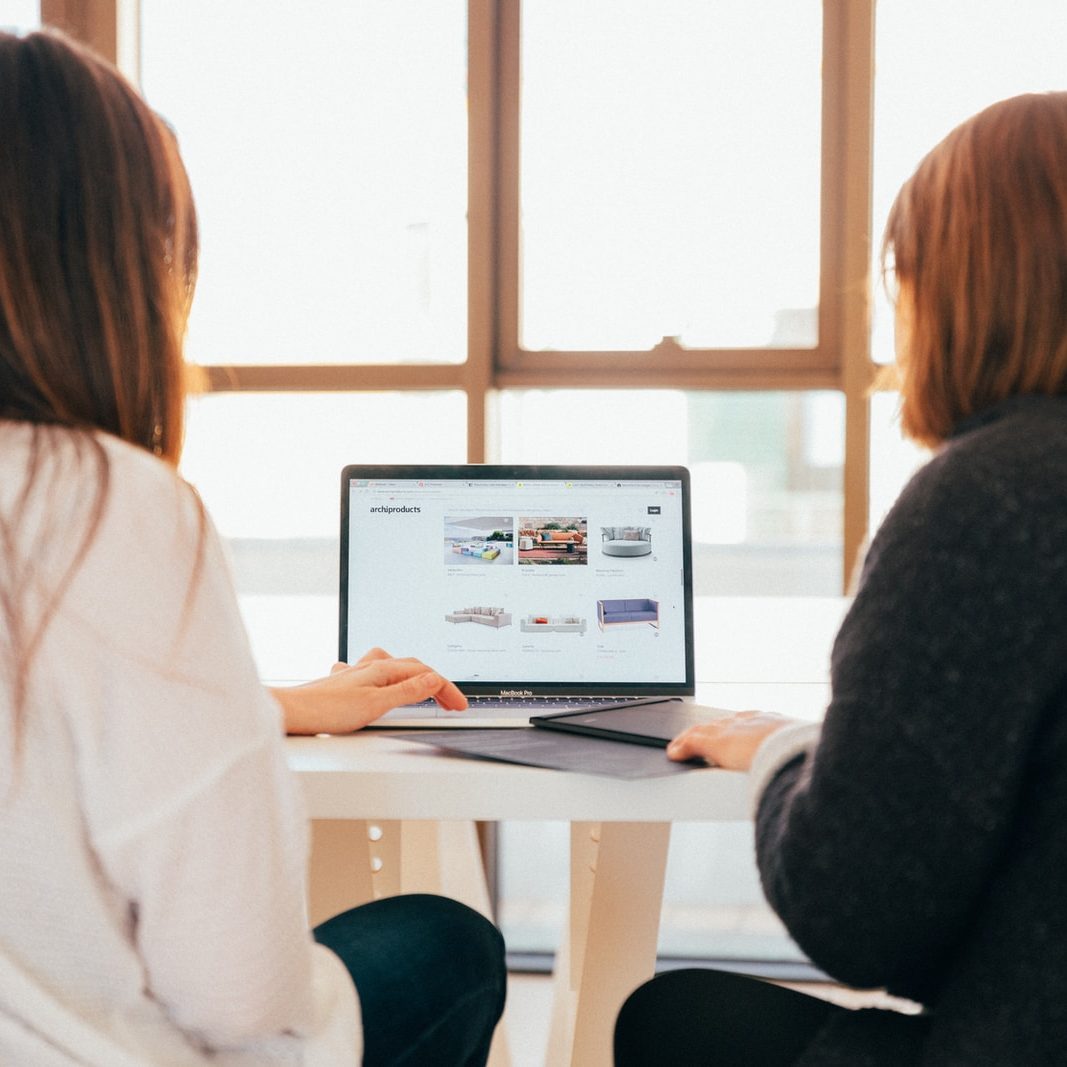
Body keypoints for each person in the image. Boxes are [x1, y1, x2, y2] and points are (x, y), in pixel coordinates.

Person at [0, 28, 505, 1066]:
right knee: (449, 944)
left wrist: (262, 704)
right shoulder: (106, 505)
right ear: (120, 265)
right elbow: (240, 990)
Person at [615, 91, 1067, 1065]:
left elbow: (856, 916)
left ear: (958, 285)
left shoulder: (988, 498)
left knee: (666, 1021)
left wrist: (783, 753)